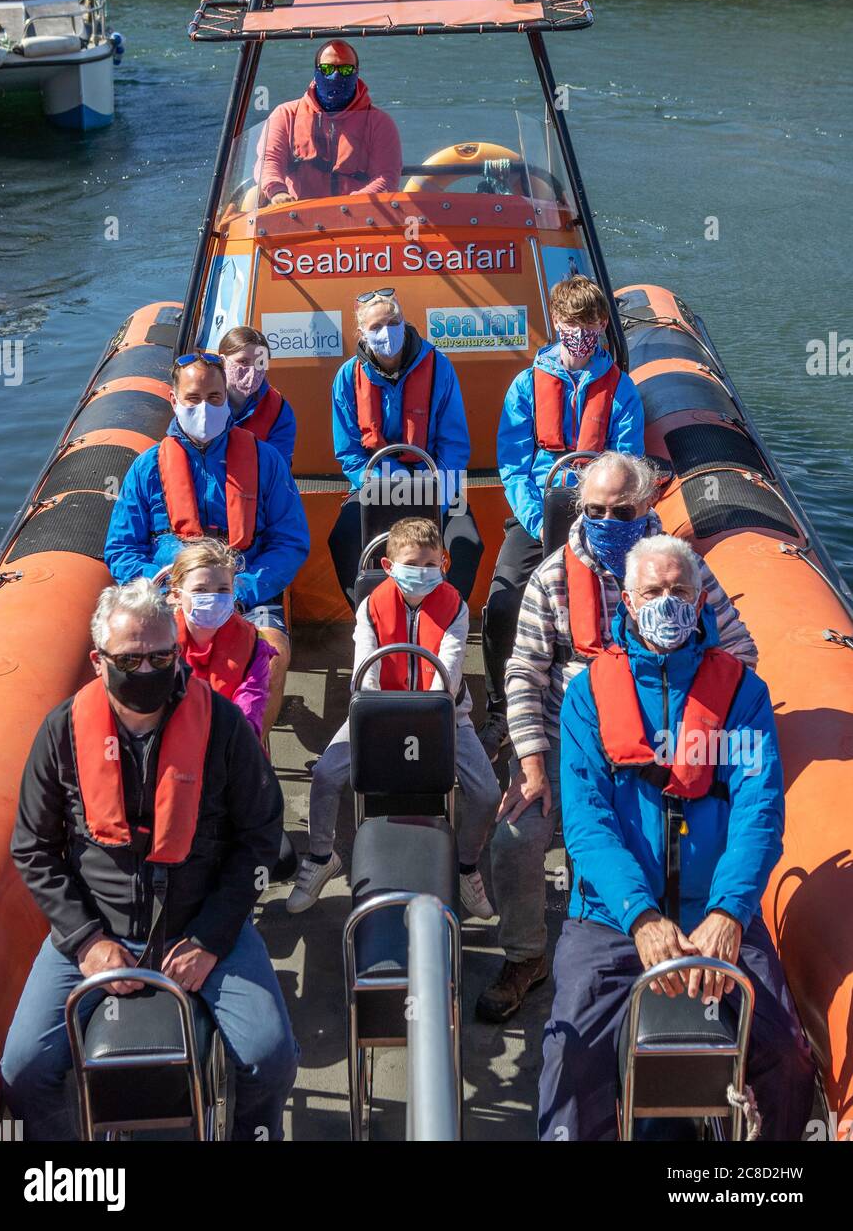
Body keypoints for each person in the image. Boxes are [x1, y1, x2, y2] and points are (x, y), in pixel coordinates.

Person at [537, 535, 814, 1141]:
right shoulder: (587, 696)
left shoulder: (743, 694)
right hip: (611, 920)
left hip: (718, 914)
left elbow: (758, 813)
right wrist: (641, 917)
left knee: (787, 1056)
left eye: (680, 592)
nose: (668, 604)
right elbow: (586, 825)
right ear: (629, 603)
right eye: (654, 593)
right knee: (570, 1059)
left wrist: (729, 913)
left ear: (699, 600)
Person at [1, 580, 298, 1142]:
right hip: (96, 930)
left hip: (205, 926)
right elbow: (33, 848)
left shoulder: (224, 729)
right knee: (24, 1069)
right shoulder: (61, 733)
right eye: (130, 658)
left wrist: (211, 937)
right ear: (98, 661)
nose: (147, 669)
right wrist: (87, 940)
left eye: (161, 656)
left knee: (271, 1057)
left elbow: (261, 838)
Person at [478, 458, 758, 1023]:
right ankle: (527, 954)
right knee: (515, 836)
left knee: (667, 833)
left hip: (666, 741)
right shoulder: (553, 577)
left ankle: (653, 935)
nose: (607, 521)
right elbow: (523, 673)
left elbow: (741, 654)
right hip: (567, 737)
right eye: (595, 511)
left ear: (649, 505)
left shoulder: (683, 574)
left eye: (621, 511)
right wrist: (531, 762)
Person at [286, 518, 500, 920]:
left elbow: (449, 671)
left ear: (445, 562)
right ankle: (320, 856)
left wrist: (432, 715)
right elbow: (363, 671)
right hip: (379, 710)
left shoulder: (454, 606)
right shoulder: (371, 606)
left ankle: (466, 866)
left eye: (429, 564)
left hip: (445, 715)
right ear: (388, 567)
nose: (421, 573)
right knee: (327, 774)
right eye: (411, 564)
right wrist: (378, 713)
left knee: (487, 793)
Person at [479, 275, 645, 763]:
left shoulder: (621, 390)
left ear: (600, 327)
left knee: (618, 606)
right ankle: (498, 710)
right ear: (557, 324)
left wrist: (601, 515)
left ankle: (614, 699)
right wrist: (534, 517)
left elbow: (627, 460)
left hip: (600, 517)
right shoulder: (526, 385)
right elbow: (512, 462)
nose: (581, 333)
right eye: (573, 324)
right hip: (538, 513)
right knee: (502, 602)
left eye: (590, 324)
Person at [104, 349, 309, 738]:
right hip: (170, 598)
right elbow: (121, 550)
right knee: (147, 657)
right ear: (174, 400)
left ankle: (251, 755)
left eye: (214, 398)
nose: (205, 408)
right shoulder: (146, 468)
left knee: (275, 654)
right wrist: (168, 589)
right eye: (193, 399)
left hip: (246, 595)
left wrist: (244, 590)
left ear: (226, 397)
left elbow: (290, 541)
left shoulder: (266, 461)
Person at [328, 287, 483, 605]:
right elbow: (349, 453)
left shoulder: (439, 366)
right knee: (342, 538)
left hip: (437, 482)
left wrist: (433, 496)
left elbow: (454, 445)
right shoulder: (347, 378)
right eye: (376, 327)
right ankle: (369, 616)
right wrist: (390, 485)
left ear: (404, 322)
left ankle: (446, 615)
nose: (387, 332)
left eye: (393, 322)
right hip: (376, 484)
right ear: (362, 333)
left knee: (467, 542)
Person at [255, 39, 402, 206]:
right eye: (327, 69)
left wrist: (352, 206)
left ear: (357, 73)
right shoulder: (286, 115)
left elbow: (387, 176)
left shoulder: (380, 123)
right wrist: (277, 191)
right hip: (295, 216)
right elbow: (269, 160)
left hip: (360, 219)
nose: (336, 75)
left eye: (346, 69)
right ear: (316, 72)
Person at [168, 538, 276, 741]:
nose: (213, 598)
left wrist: (227, 744)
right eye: (200, 590)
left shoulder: (253, 642)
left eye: (222, 590)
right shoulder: (159, 641)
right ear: (176, 594)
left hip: (231, 743)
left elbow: (251, 701)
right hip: (175, 741)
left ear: (233, 592)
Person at [219, 325, 296, 468]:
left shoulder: (279, 410)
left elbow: (278, 467)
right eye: (243, 361)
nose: (252, 371)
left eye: (260, 363)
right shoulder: (202, 402)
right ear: (223, 362)